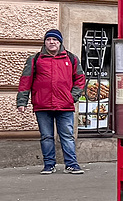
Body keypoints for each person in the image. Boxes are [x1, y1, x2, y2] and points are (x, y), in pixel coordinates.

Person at [17, 28, 86, 174]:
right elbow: (25, 81)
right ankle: (49, 165)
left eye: (55, 40)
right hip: (42, 105)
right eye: (48, 40)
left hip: (65, 105)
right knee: (46, 136)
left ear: (60, 42)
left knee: (67, 136)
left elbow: (80, 79)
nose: (51, 42)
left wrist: (72, 96)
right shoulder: (35, 59)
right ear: (45, 43)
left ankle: (71, 164)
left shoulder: (71, 58)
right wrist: (22, 102)